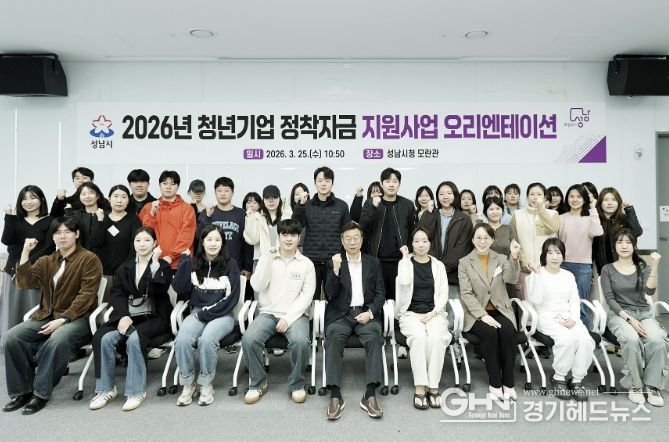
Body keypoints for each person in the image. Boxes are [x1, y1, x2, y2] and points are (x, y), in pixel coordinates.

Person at [2, 217, 102, 414]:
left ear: (77, 234)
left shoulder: (89, 259)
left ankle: (40, 393)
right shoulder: (47, 260)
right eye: (57, 232)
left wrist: (63, 319)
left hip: (79, 318)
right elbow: (25, 282)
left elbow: (87, 295)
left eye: (67, 232)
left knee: (58, 339)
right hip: (48, 315)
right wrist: (25, 253)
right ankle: (22, 391)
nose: (62, 236)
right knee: (12, 338)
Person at [89, 227, 172, 411]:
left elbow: (160, 290)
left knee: (135, 338)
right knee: (102, 338)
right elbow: (116, 295)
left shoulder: (163, 266)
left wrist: (154, 263)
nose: (142, 244)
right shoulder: (124, 267)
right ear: (133, 244)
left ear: (155, 243)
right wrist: (123, 316)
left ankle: (136, 392)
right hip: (128, 315)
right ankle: (105, 390)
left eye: (147, 240)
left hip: (154, 316)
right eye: (138, 240)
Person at [241, 219, 315, 405]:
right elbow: (257, 286)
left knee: (300, 341)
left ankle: (297, 384)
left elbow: (306, 297)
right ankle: (258, 383)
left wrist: (288, 319)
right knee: (249, 339)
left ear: (299, 238)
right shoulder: (268, 259)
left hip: (296, 315)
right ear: (279, 237)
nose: (289, 239)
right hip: (268, 313)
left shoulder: (306, 264)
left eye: (293, 235)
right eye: (285, 235)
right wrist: (267, 258)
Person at [172, 225, 240, 406]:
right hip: (197, 312)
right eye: (209, 239)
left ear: (222, 243)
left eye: (217, 240)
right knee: (182, 340)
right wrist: (184, 263)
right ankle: (189, 383)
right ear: (202, 242)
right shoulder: (193, 263)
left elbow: (231, 299)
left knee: (207, 340)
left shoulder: (230, 265)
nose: (213, 243)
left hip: (223, 315)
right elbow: (180, 289)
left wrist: (204, 315)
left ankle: (206, 383)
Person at [323, 221, 385, 420]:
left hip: (365, 314)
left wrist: (370, 313)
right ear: (342, 241)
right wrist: (335, 270)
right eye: (348, 238)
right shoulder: (334, 261)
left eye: (355, 238)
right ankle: (335, 395)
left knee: (374, 336)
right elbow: (330, 294)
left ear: (361, 239)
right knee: (333, 336)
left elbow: (380, 294)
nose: (352, 242)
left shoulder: (373, 262)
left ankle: (370, 395)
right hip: (341, 315)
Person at [601, 229, 666, 407]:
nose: (624, 246)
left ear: (634, 246)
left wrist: (654, 265)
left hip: (643, 313)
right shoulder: (607, 269)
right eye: (620, 242)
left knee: (658, 340)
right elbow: (610, 299)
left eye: (628, 242)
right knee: (631, 339)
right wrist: (629, 319)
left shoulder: (642, 267)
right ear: (614, 246)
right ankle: (635, 385)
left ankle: (652, 386)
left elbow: (649, 291)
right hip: (619, 315)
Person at [458, 224, 522, 400]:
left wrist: (514, 257)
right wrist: (483, 315)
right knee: (490, 333)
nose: (482, 241)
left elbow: (511, 279)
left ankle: (508, 382)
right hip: (476, 313)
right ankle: (495, 383)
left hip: (501, 309)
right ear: (472, 240)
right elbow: (466, 294)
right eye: (478, 237)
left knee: (508, 332)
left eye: (486, 237)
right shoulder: (464, 262)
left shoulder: (501, 258)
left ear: (492, 240)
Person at [527, 238, 595, 402]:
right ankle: (559, 377)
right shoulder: (536, 274)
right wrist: (537, 276)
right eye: (550, 253)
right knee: (567, 340)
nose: (554, 257)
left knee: (586, 340)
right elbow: (535, 300)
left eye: (558, 253)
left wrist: (574, 318)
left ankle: (577, 380)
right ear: (544, 255)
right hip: (546, 317)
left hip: (568, 317)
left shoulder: (568, 275)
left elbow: (575, 300)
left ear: (563, 256)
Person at [396, 227, 451, 409]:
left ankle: (433, 386)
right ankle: (420, 386)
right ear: (412, 243)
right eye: (417, 241)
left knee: (436, 338)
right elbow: (404, 281)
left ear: (430, 243)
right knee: (419, 338)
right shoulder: (405, 263)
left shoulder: (438, 265)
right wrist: (405, 257)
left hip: (434, 313)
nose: (421, 244)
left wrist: (434, 312)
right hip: (410, 314)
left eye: (425, 241)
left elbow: (443, 293)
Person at [1, 186, 55, 350]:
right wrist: (8, 216)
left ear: (41, 200)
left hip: (37, 271)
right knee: (13, 308)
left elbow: (49, 247)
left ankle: (36, 345)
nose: (28, 202)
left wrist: (25, 266)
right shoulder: (15, 219)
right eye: (24, 199)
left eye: (33, 198)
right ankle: (10, 343)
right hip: (13, 269)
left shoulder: (50, 220)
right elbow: (6, 240)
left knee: (35, 308)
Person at [292, 166, 351, 300]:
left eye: (327, 180)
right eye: (320, 181)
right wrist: (300, 205)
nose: (323, 184)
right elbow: (295, 226)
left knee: (334, 298)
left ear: (332, 183)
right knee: (311, 298)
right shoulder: (307, 205)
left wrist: (343, 256)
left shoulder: (341, 206)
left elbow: (347, 233)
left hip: (334, 260)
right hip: (311, 261)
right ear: (315, 183)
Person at [359, 168, 416, 300]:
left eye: (395, 181)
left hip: (400, 262)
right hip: (376, 261)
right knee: (377, 300)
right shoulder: (370, 203)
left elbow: (413, 231)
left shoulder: (407, 205)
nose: (391, 185)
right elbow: (362, 227)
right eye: (387, 181)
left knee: (399, 300)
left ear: (399, 184)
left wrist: (408, 251)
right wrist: (373, 208)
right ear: (381, 184)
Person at [418, 181, 473, 299]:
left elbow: (462, 250)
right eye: (441, 194)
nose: (445, 197)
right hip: (430, 274)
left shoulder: (464, 219)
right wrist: (429, 213)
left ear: (455, 195)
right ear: (437, 197)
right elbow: (422, 238)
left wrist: (441, 268)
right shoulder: (431, 214)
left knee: (453, 308)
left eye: (449, 193)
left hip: (453, 276)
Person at [558, 184, 603, 326]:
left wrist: (593, 208)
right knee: (564, 304)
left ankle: (584, 333)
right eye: (571, 196)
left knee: (582, 304)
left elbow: (597, 232)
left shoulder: (590, 218)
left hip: (583, 267)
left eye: (579, 196)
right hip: (562, 265)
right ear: (567, 199)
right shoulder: (560, 218)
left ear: (585, 199)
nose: (575, 199)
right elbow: (555, 243)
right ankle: (565, 333)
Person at [90, 185, 141, 300]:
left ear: (128, 201)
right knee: (103, 302)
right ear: (109, 199)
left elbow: (135, 246)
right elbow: (95, 242)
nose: (119, 200)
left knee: (121, 302)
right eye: (116, 196)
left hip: (125, 272)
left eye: (123, 197)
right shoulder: (101, 216)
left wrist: (125, 268)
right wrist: (99, 221)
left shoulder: (133, 219)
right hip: (103, 271)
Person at [510, 182, 560, 299]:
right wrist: (524, 262)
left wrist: (541, 210)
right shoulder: (517, 215)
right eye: (532, 194)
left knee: (546, 302)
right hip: (525, 269)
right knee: (525, 304)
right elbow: (514, 241)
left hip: (546, 269)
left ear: (545, 197)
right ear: (527, 197)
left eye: (539, 194)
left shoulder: (553, 214)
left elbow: (554, 228)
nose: (535, 197)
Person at [139, 170, 197, 271]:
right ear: (159, 185)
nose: (168, 187)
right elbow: (143, 236)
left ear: (178, 186)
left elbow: (186, 236)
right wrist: (151, 214)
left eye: (172, 184)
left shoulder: (187, 209)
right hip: (153, 263)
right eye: (165, 183)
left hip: (179, 264)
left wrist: (171, 257)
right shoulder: (149, 207)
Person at [197, 177, 253, 278]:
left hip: (235, 268)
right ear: (215, 193)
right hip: (210, 268)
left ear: (233, 193)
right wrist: (207, 217)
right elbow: (199, 237)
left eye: (226, 190)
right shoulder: (207, 212)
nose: (223, 194)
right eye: (219, 190)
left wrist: (248, 266)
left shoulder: (241, 214)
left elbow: (248, 242)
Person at [593, 187, 643, 273]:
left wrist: (629, 211)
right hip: (603, 268)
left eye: (613, 200)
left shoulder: (624, 218)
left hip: (624, 267)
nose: (610, 203)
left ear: (618, 202)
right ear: (600, 203)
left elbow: (637, 232)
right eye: (606, 200)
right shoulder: (596, 221)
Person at [64, 182, 111, 251]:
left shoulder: (107, 215)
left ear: (97, 196)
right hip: (81, 255)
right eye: (83, 194)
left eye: (91, 193)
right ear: (79, 197)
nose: (87, 196)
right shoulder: (75, 216)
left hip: (103, 255)